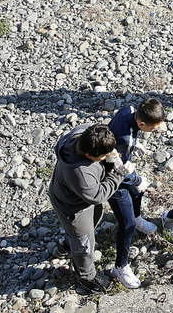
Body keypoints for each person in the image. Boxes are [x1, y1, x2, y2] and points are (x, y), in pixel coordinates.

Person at [48, 124, 133, 294]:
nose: (106, 156)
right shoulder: (80, 174)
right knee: (83, 243)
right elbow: (99, 195)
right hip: (73, 208)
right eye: (103, 155)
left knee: (90, 223)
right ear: (88, 155)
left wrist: (109, 156)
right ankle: (86, 277)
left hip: (67, 194)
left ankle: (66, 245)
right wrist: (118, 174)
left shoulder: (81, 133)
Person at [106, 98, 164, 288]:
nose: (155, 131)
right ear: (141, 124)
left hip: (121, 162)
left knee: (138, 192)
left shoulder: (130, 109)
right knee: (126, 224)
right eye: (154, 129)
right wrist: (138, 179)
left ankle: (138, 218)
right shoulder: (125, 141)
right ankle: (120, 267)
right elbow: (118, 171)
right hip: (110, 177)